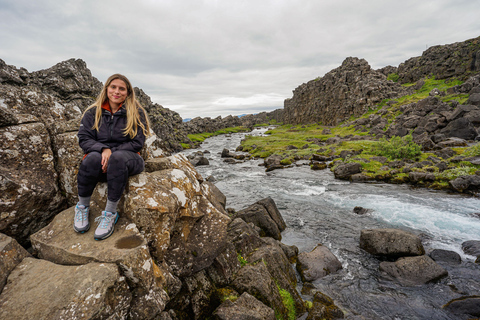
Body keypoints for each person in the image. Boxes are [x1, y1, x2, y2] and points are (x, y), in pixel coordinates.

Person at [74, 74, 150, 240]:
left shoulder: (136, 113)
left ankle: (110, 213)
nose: (117, 91)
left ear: (128, 92)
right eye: (113, 87)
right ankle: (82, 207)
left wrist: (112, 152)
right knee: (91, 159)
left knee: (117, 158)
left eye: (121, 88)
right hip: (101, 158)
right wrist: (103, 149)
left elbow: (137, 143)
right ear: (106, 89)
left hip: (130, 159)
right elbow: (84, 139)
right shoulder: (92, 112)